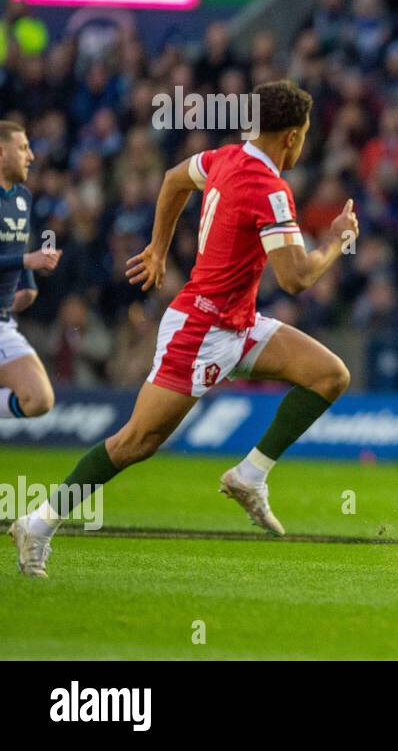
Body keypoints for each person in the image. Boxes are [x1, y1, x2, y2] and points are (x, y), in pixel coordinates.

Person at [9, 81, 357, 578]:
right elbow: (297, 278)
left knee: (330, 375)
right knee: (135, 442)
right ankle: (38, 523)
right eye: (303, 135)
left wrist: (158, 246)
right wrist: (337, 242)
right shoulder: (271, 189)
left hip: (238, 321)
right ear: (292, 137)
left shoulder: (224, 158)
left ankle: (250, 475)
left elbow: (174, 178)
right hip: (201, 329)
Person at [0, 121, 62, 421]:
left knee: (39, 399)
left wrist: (28, 284)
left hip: (3, 320)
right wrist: (27, 263)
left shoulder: (23, 198)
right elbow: (24, 256)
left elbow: (19, 244)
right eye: (23, 148)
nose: (31, 156)